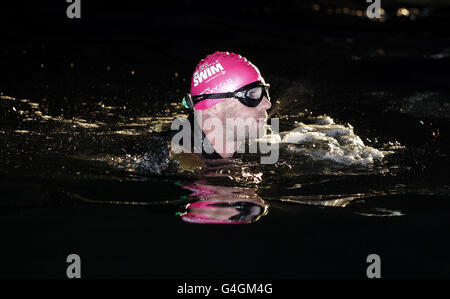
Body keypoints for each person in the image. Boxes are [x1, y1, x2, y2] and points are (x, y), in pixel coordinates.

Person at [169, 51, 272, 171]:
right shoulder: (180, 161)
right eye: (252, 94)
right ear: (214, 105)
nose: (267, 104)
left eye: (265, 93)